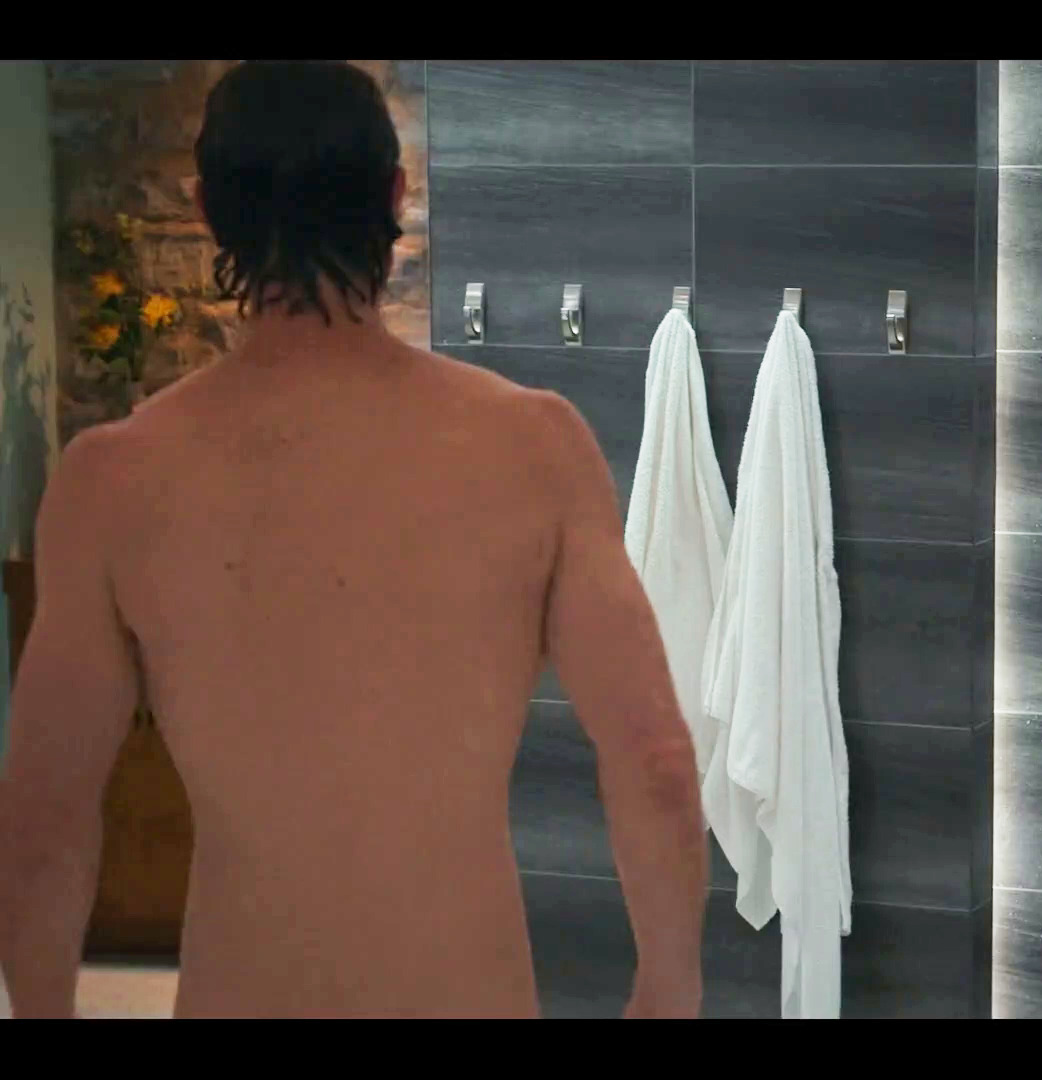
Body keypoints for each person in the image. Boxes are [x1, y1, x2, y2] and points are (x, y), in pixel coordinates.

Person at [0, 60, 706, 1019]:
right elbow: (653, 759)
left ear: (207, 209)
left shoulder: (111, 481)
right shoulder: (536, 448)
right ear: (395, 196)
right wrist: (668, 988)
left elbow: (46, 816)